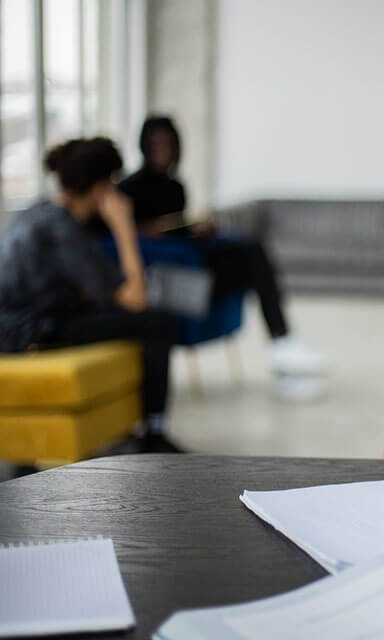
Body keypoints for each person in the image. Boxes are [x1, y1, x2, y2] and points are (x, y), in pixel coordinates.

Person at [111, 115, 329, 395]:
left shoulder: (175, 187)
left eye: (168, 144)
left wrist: (199, 229)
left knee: (252, 251)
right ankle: (282, 347)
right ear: (145, 146)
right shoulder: (128, 190)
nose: (163, 150)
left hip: (192, 259)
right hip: (171, 277)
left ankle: (283, 348)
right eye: (157, 144)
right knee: (252, 259)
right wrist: (147, 232)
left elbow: (180, 230)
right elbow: (124, 239)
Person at [0, 137, 181, 452]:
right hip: (31, 332)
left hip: (22, 324)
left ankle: (134, 430)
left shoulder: (40, 212)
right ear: (101, 187)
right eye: (113, 182)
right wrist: (123, 226)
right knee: (156, 321)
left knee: (127, 318)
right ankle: (154, 436)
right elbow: (135, 298)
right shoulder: (64, 230)